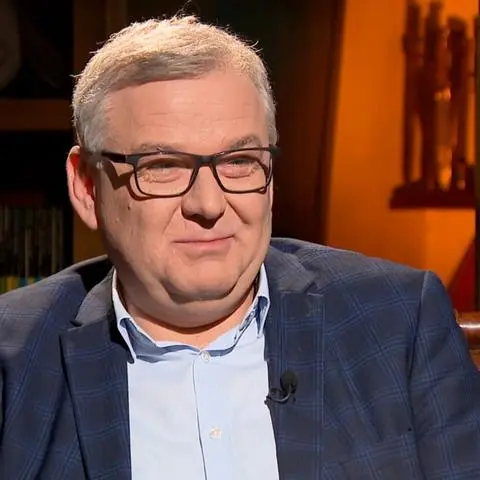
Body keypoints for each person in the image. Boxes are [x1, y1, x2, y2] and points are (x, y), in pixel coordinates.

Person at [0, 15, 479, 480]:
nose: (209, 205)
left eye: (240, 161)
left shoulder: (396, 321)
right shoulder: (15, 359)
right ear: (87, 187)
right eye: (162, 166)